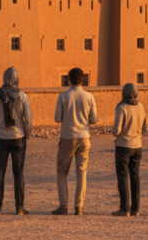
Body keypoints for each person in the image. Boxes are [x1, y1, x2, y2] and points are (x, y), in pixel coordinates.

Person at [52, 67, 98, 216]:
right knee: (81, 172)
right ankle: (79, 206)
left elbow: (57, 118)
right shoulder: (89, 97)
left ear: (68, 79)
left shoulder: (63, 96)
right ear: (83, 79)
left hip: (67, 137)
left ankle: (63, 206)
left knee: (62, 171)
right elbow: (94, 119)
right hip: (84, 137)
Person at [0, 66, 32, 215]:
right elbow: (28, 120)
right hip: (18, 138)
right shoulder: (23, 96)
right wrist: (27, 134)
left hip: (1, 138)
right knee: (18, 173)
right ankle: (19, 207)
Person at [111, 82, 148, 217]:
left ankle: (124, 208)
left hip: (123, 146)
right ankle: (135, 209)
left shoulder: (121, 108)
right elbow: (145, 129)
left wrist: (116, 132)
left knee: (122, 177)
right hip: (138, 146)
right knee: (135, 177)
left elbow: (116, 130)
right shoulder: (141, 107)